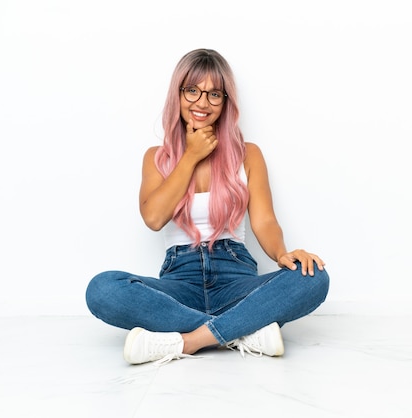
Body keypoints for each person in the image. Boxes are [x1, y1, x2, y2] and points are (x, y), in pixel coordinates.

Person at [85, 48, 330, 365]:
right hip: (179, 282)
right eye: (192, 91)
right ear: (178, 94)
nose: (202, 103)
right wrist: (190, 156)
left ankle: (189, 341)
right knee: (102, 289)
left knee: (314, 277)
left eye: (214, 94)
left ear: (226, 102)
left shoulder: (248, 154)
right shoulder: (156, 158)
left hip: (235, 278)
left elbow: (265, 222)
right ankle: (241, 329)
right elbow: (154, 217)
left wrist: (283, 254)